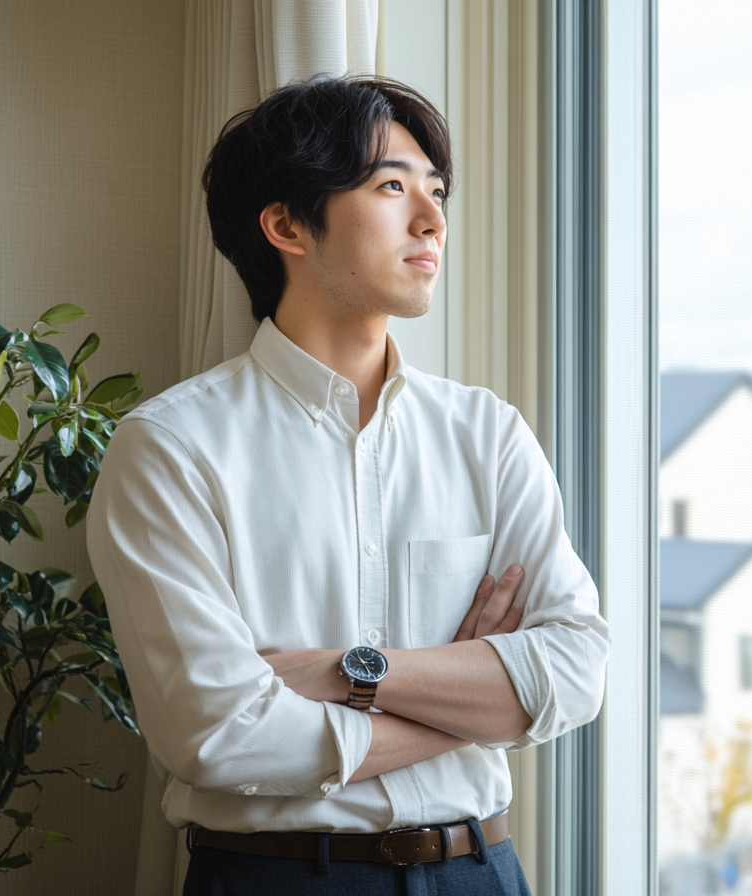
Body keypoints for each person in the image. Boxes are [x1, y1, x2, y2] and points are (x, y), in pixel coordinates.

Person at [87, 76, 609, 896]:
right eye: (392, 186)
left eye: (435, 190)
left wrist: (345, 671)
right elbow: (219, 734)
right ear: (287, 223)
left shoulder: (487, 433)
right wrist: (477, 699)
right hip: (279, 879)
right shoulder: (170, 448)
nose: (433, 218)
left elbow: (577, 671)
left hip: (483, 872)